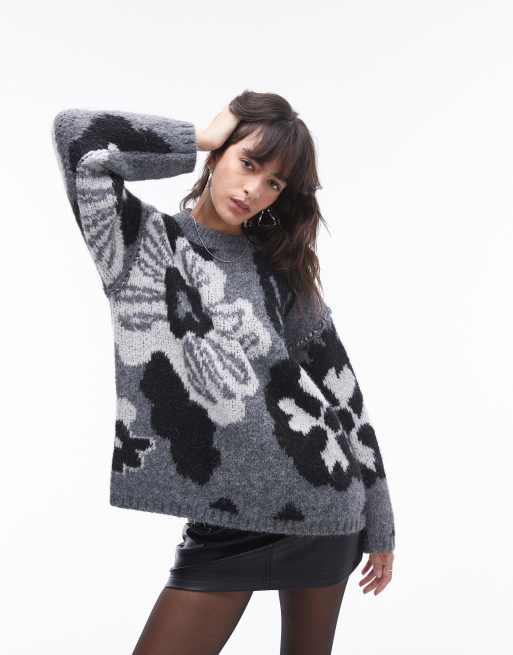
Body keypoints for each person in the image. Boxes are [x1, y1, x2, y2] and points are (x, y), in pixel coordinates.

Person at [52, 90, 396, 655]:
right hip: (222, 522)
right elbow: (77, 135)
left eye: (274, 183)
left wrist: (379, 521)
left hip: (322, 509)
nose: (254, 190)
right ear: (218, 157)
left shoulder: (280, 269)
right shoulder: (137, 241)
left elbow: (343, 394)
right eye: (248, 163)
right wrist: (203, 136)